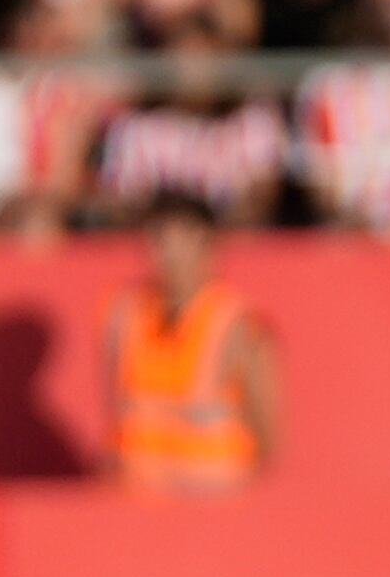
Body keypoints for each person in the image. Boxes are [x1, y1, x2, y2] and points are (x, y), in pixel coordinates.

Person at [102, 192, 278, 493]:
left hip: (213, 515)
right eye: (154, 240)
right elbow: (118, 412)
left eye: (172, 240)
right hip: (137, 510)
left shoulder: (238, 326)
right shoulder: (123, 316)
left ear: (205, 243)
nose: (163, 255)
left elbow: (268, 437)